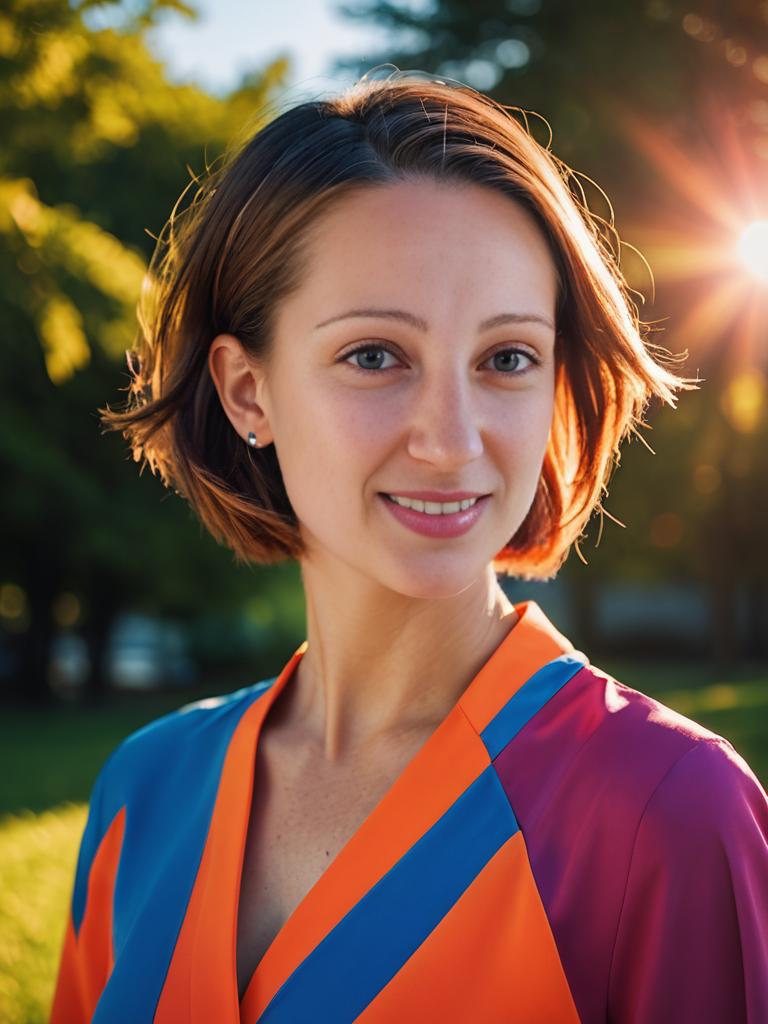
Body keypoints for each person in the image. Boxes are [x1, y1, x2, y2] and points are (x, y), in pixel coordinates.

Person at [50, 68, 768, 1023]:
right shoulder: (142, 792)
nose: (452, 438)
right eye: (375, 355)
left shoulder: (669, 811)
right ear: (247, 390)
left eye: (506, 358)